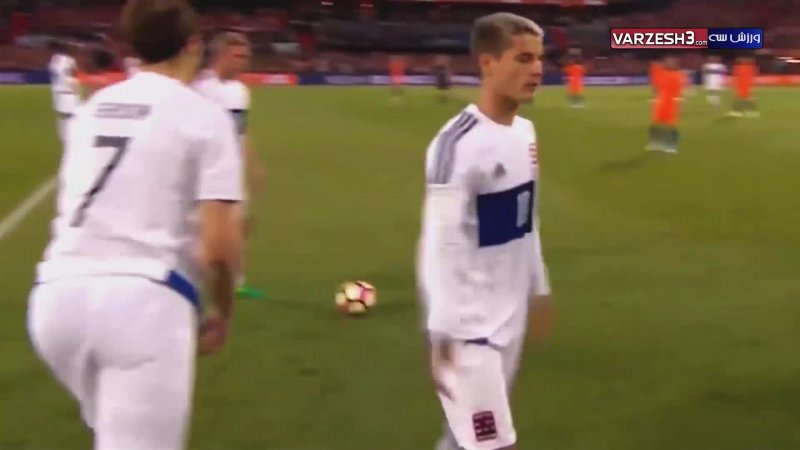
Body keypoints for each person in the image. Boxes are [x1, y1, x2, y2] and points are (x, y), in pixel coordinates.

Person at [27, 1, 244, 449]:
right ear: (193, 45)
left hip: (55, 298)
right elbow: (220, 248)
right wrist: (223, 310)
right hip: (143, 304)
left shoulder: (95, 107)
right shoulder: (205, 116)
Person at [417, 12, 552, 450]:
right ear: (488, 63)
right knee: (493, 445)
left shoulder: (525, 133)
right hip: (469, 333)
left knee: (463, 441)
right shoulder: (457, 145)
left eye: (539, 59)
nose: (536, 69)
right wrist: (442, 330)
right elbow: (438, 242)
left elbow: (526, 218)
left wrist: (539, 285)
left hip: (510, 319)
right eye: (523, 58)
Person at [193, 29, 266, 300]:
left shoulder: (240, 92)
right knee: (204, 229)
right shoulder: (200, 89)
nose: (244, 61)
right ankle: (195, 280)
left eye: (246, 56)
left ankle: (236, 281)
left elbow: (240, 131)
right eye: (238, 56)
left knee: (239, 225)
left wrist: (253, 164)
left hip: (231, 169)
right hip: (203, 170)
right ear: (220, 56)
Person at [646, 55, 683, 153]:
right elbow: (654, 77)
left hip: (672, 102)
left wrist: (679, 101)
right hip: (661, 101)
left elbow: (680, 89)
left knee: (672, 125)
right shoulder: (660, 72)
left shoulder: (678, 75)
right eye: (669, 61)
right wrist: (655, 96)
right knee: (655, 123)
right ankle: (654, 144)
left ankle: (672, 145)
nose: (671, 63)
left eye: (673, 61)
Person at [48, 38, 81, 143]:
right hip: (67, 92)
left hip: (60, 92)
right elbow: (72, 76)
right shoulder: (68, 60)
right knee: (69, 117)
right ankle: (69, 139)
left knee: (64, 117)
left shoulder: (56, 59)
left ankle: (66, 139)